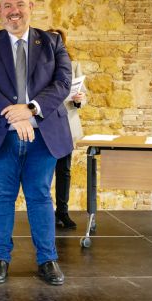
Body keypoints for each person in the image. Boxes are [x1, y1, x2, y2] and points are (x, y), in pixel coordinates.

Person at [0, 0, 72, 286]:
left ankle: (47, 260)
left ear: (31, 7)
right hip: (1, 137)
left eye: (20, 5)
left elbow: (63, 82)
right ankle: (0, 259)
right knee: (2, 197)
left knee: (40, 195)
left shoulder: (52, 42)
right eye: (8, 6)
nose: (14, 11)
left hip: (43, 137)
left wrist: (30, 109)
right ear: (0, 11)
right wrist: (13, 114)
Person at [48, 28, 87, 230]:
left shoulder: (74, 65)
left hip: (66, 124)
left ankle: (62, 211)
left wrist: (79, 99)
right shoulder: (38, 65)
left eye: (58, 40)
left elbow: (84, 96)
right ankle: (45, 213)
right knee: (43, 171)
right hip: (45, 125)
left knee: (64, 170)